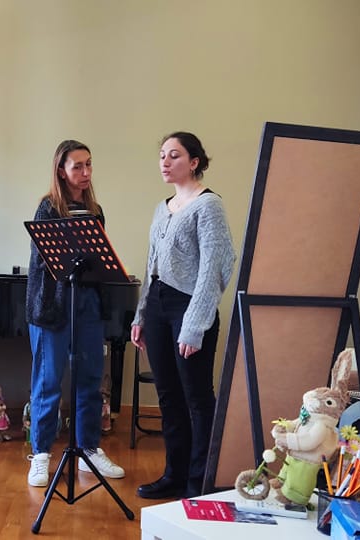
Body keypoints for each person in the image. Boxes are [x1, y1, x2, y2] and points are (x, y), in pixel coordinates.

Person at [131, 132, 236, 499]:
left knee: (197, 398)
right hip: (158, 305)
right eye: (162, 155)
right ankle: (174, 475)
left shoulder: (208, 206)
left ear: (194, 162)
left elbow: (214, 268)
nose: (165, 161)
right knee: (168, 396)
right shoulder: (163, 207)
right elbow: (152, 265)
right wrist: (141, 315)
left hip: (190, 306)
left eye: (174, 155)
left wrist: (194, 325)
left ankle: (199, 482)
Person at [25, 139, 125, 487]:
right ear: (61, 170)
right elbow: (43, 263)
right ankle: (41, 454)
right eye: (77, 166)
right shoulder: (48, 208)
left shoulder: (95, 210)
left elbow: (99, 260)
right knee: (48, 381)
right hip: (53, 305)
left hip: (88, 305)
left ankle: (88, 450)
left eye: (89, 164)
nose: (85, 172)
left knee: (90, 380)